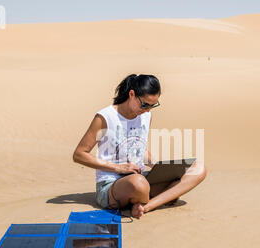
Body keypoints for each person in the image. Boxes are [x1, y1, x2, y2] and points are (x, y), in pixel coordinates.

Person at [73, 74, 206, 219]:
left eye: (153, 105)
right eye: (145, 104)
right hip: (111, 184)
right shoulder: (105, 117)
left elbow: (138, 148)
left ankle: (146, 206)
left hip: (141, 178)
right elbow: (79, 154)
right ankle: (158, 197)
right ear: (132, 94)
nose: (148, 110)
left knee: (198, 169)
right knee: (139, 184)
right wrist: (119, 168)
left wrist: (157, 166)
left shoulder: (146, 116)